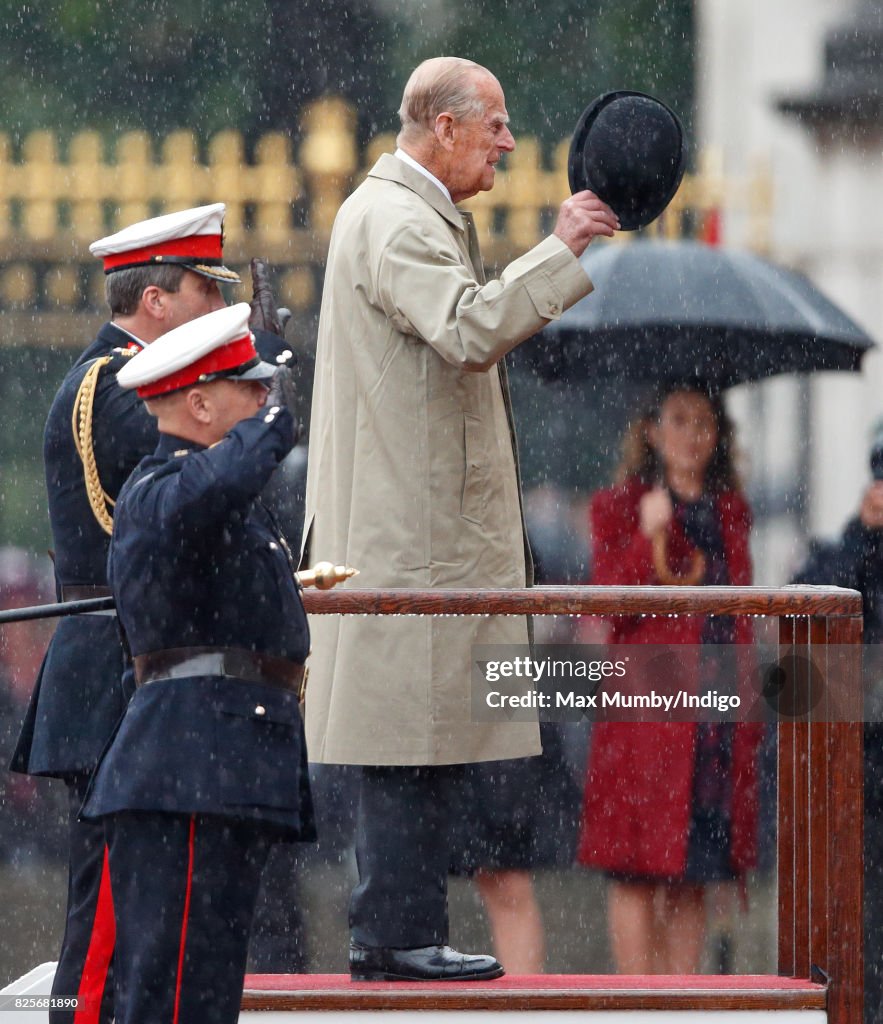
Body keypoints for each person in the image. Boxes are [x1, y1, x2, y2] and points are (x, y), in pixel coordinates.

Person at [303, 55, 618, 982]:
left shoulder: (409, 212)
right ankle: (393, 937)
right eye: (495, 125)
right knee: (405, 741)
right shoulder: (398, 219)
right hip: (408, 540)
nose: (510, 144)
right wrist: (561, 248)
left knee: (424, 738)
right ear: (442, 128)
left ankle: (399, 932)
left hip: (419, 533)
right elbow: (471, 329)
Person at [9, 204, 291, 1022]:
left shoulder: (128, 378)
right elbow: (201, 489)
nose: (218, 313)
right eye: (207, 291)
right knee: (103, 938)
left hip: (135, 677)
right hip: (120, 677)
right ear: (159, 302)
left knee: (137, 931)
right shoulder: (120, 385)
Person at [80, 303, 314, 1024]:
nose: (261, 402)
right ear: (201, 403)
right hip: (188, 767)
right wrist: (279, 421)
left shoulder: (213, 495)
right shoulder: (160, 490)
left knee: (206, 988)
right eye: (248, 390)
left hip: (224, 763)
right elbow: (221, 480)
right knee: (171, 987)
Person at [577, 382, 762, 974]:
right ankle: (639, 1002)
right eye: (678, 421)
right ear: (652, 431)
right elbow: (609, 604)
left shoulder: (731, 511)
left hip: (713, 715)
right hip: (646, 720)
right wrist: (645, 535)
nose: (692, 435)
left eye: (704, 423)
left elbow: (743, 606)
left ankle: (683, 1001)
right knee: (635, 869)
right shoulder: (619, 505)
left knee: (694, 872)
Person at [791, 419, 883, 1024]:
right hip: (862, 773)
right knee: (860, 924)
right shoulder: (847, 551)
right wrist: (866, 538)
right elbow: (812, 613)